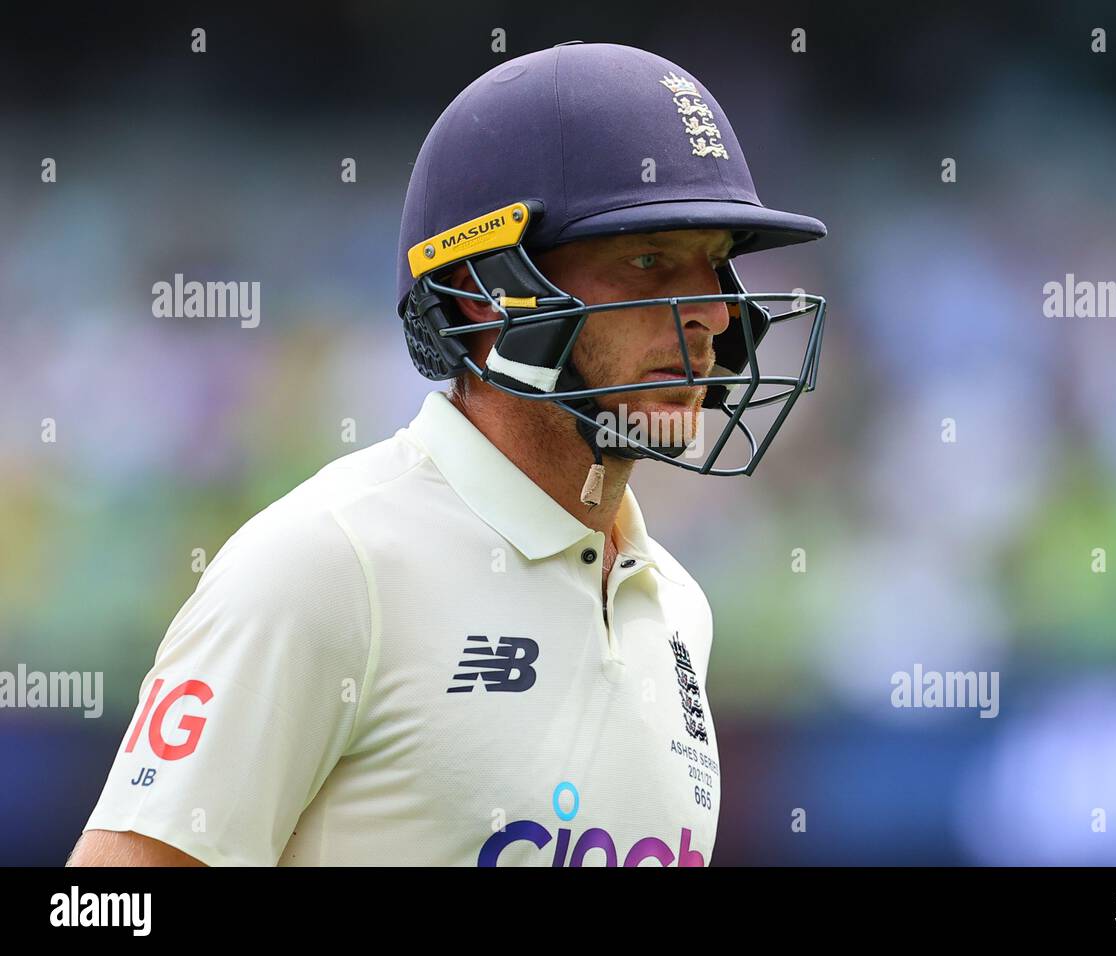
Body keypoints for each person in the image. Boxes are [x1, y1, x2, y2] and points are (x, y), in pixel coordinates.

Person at [69, 41, 826, 867]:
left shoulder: (676, 606)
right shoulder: (328, 565)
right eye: (648, 262)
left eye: (716, 266)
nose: (712, 316)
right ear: (486, 292)